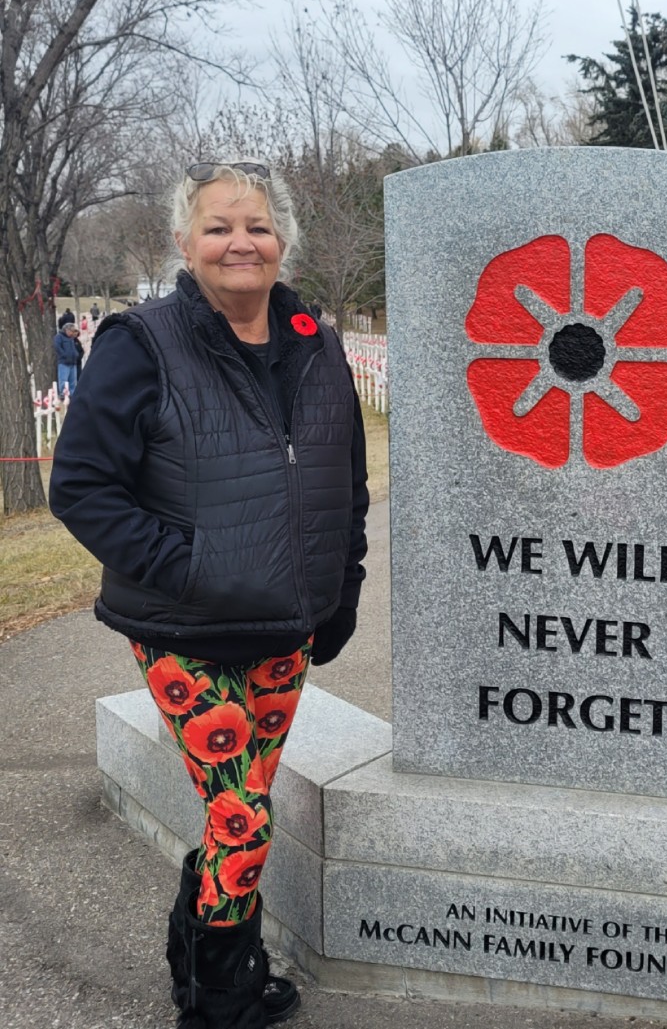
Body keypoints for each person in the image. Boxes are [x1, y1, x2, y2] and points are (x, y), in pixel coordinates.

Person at [50, 158, 369, 1028]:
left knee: (241, 813)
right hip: (186, 629)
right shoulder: (141, 342)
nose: (241, 242)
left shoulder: (316, 340)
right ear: (185, 242)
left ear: (283, 241)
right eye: (220, 226)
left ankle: (196, 958)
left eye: (258, 225)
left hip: (285, 628)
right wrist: (192, 567)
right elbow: (80, 487)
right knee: (242, 822)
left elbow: (346, 476)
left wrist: (340, 587)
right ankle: (225, 997)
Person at [54, 322, 80, 396]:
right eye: (71, 331)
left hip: (73, 362)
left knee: (73, 381)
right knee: (63, 380)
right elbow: (57, 347)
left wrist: (76, 354)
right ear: (67, 330)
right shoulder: (59, 337)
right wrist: (64, 355)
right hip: (64, 362)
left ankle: (72, 394)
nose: (72, 333)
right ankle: (63, 394)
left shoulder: (72, 339)